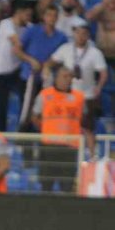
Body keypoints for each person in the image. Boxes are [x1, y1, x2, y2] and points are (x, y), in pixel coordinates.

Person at [48, 23, 107, 156]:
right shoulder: (65, 49)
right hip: (68, 95)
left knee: (88, 127)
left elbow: (103, 72)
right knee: (68, 124)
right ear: (74, 34)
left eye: (84, 34)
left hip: (87, 95)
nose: (81, 36)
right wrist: (47, 71)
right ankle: (67, 151)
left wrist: (99, 87)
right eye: (78, 33)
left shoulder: (94, 52)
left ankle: (92, 155)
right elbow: (51, 61)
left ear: (88, 36)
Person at [32, 67, 83, 192]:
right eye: (64, 76)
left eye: (69, 76)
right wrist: (46, 130)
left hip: (70, 147)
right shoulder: (45, 94)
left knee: (67, 185)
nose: (67, 79)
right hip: (49, 146)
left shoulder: (79, 97)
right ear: (56, 78)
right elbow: (34, 116)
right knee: (46, 184)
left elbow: (85, 120)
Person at [0, 3, 33, 132]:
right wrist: (30, 57)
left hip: (16, 69)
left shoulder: (29, 27)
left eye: (30, 15)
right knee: (2, 104)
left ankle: (23, 130)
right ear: (19, 12)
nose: (29, 18)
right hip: (0, 70)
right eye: (27, 15)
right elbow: (16, 43)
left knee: (25, 98)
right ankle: (1, 132)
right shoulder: (6, 24)